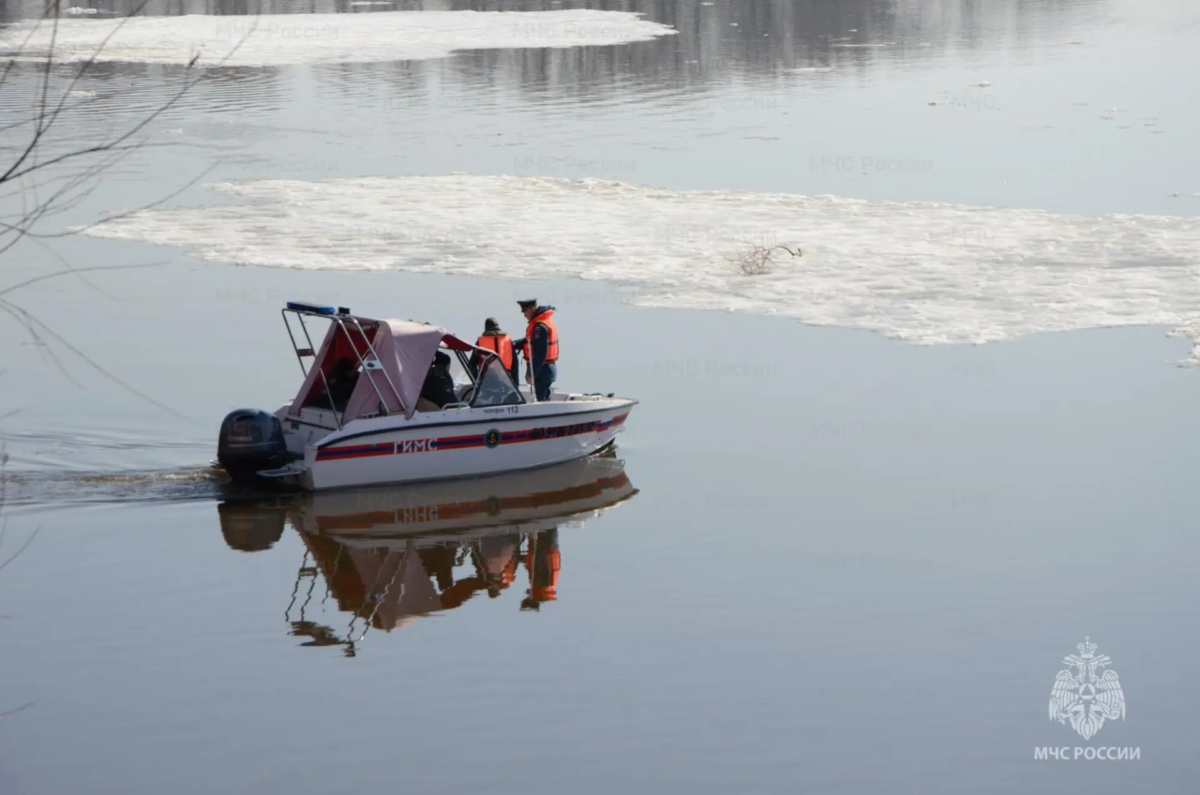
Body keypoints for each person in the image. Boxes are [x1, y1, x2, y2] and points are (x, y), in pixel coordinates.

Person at [512, 299, 558, 401]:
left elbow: (540, 353)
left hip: (542, 370)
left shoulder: (539, 327)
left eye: (525, 311)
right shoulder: (542, 322)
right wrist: (515, 344)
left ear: (532, 308)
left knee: (541, 400)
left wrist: (532, 374)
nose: (524, 315)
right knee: (544, 397)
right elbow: (530, 341)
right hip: (547, 369)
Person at [470, 317, 517, 382]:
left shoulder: (480, 342)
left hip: (487, 379)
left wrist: (475, 381)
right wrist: (516, 383)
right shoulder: (508, 341)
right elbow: (515, 363)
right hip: (506, 378)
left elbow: (472, 363)